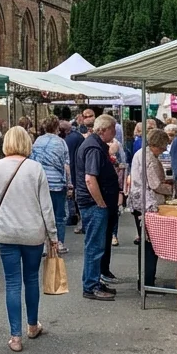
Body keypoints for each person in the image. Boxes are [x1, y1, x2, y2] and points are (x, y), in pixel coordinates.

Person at [0, 126, 58, 351]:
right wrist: (53, 236)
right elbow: (47, 207)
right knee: (31, 279)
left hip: (6, 232)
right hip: (32, 233)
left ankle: (15, 336)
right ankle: (32, 325)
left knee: (12, 283)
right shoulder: (35, 168)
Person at [74, 114, 120, 301]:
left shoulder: (95, 145)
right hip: (93, 204)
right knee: (95, 246)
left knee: (96, 244)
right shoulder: (93, 147)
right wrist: (100, 202)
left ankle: (93, 281)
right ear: (103, 130)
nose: (114, 132)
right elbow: (90, 179)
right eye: (112, 129)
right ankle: (91, 286)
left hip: (94, 203)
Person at [129, 127, 174, 288]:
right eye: (162, 147)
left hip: (138, 202)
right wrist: (171, 189)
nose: (162, 151)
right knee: (149, 246)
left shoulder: (140, 154)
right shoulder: (150, 159)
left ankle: (145, 280)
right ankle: (147, 282)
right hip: (147, 204)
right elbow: (155, 184)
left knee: (146, 245)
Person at [30, 116, 70, 254]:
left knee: (41, 213)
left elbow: (32, 160)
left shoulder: (37, 142)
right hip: (57, 182)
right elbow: (66, 165)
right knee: (59, 214)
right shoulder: (61, 143)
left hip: (40, 182)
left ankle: (43, 244)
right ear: (57, 127)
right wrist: (69, 185)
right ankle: (58, 242)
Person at [66, 112, 90, 234]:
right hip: (79, 172)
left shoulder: (72, 138)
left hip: (77, 172)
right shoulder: (78, 137)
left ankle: (77, 219)